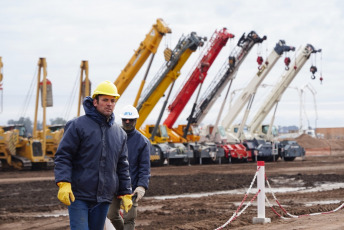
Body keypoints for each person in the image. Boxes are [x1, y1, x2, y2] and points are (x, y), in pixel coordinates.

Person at [54, 80, 133, 230]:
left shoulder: (119, 133)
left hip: (103, 198)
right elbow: (64, 156)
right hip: (78, 195)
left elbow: (122, 165)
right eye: (105, 100)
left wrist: (125, 192)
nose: (109, 104)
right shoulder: (77, 125)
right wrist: (63, 182)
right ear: (95, 102)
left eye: (112, 100)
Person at [107, 105, 151, 230]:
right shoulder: (113, 136)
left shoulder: (142, 142)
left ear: (135, 120)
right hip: (114, 185)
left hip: (132, 187)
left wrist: (142, 186)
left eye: (130, 120)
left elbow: (144, 167)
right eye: (125, 119)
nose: (127, 122)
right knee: (111, 215)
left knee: (129, 219)